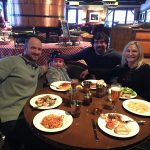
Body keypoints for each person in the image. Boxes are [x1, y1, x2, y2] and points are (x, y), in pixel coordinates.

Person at [0, 37, 48, 150]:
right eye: (33, 48)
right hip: (11, 117)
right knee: (44, 141)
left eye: (39, 49)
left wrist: (50, 65)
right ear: (24, 48)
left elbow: (43, 69)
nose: (37, 52)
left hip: (28, 113)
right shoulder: (12, 61)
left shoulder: (34, 67)